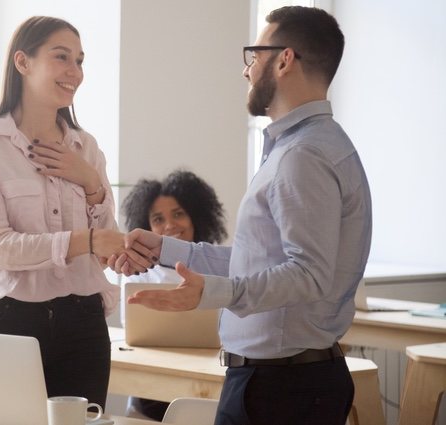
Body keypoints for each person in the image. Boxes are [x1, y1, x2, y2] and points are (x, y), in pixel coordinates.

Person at [114, 7, 372, 425]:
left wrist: (212, 293)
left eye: (254, 55)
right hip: (279, 381)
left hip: (282, 388)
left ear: (284, 59)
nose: (247, 70)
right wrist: (164, 249)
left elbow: (308, 274)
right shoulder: (303, 147)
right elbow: (258, 261)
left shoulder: (303, 155)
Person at [0, 16, 150, 408]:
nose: (74, 72)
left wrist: (91, 182)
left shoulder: (87, 149)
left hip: (84, 325)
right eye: (62, 57)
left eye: (80, 61)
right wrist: (87, 240)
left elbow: (106, 249)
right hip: (8, 325)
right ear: (22, 63)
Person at [121, 169, 227, 421]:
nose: (169, 225)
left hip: (207, 378)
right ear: (147, 226)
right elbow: (132, 328)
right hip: (150, 384)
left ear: (196, 217)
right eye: (158, 219)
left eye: (178, 214)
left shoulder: (220, 265)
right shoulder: (138, 273)